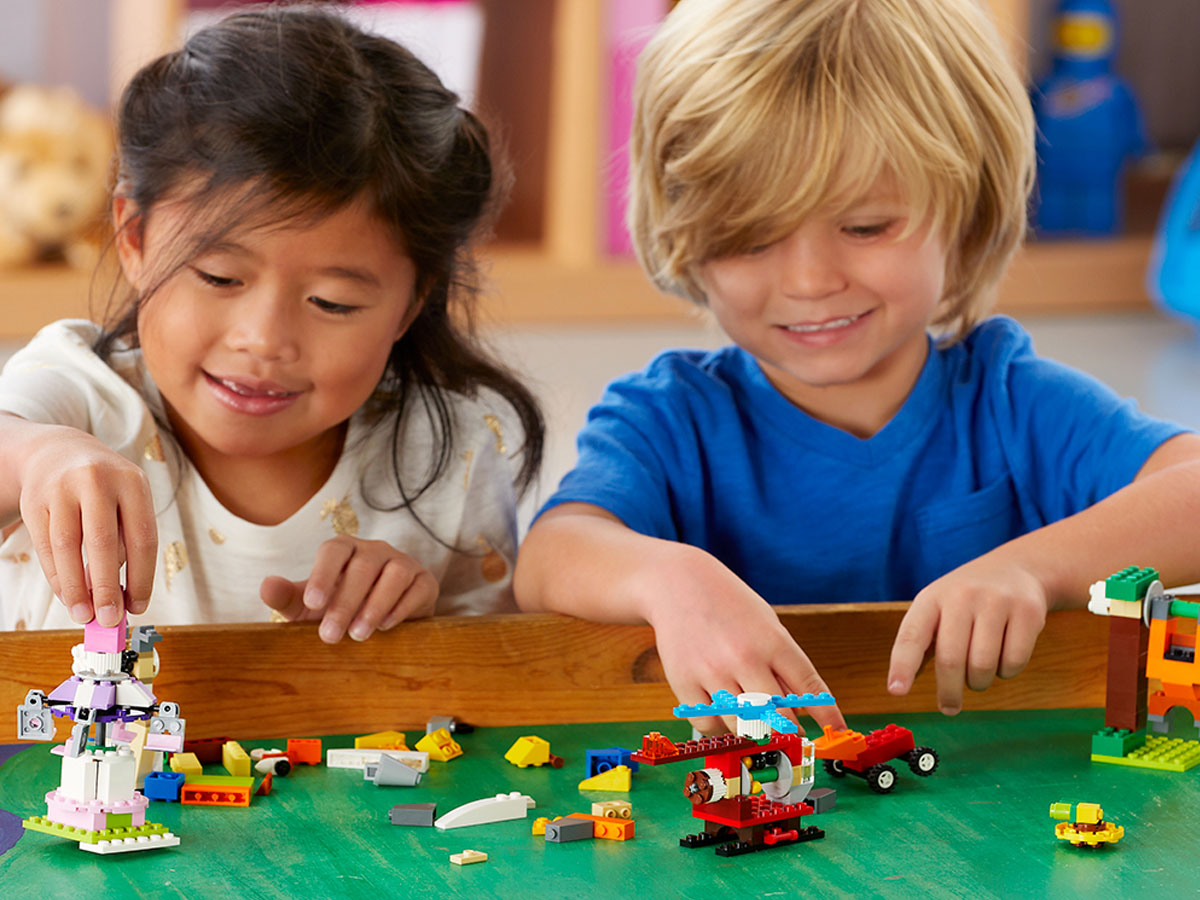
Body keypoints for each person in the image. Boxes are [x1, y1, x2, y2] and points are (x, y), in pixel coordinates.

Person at [513, 0, 1200, 732]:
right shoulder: (671, 419)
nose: (810, 281)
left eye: (866, 226)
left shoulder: (1007, 398)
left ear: (964, 215)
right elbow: (552, 555)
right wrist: (669, 580)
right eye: (751, 239)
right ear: (685, 237)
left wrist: (1035, 566)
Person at [0, 6, 543, 641]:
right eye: (220, 278)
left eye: (333, 303)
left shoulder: (450, 449)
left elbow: (492, 681)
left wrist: (412, 615)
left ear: (412, 300)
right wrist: (39, 455)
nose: (262, 339)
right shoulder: (78, 391)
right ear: (135, 238)